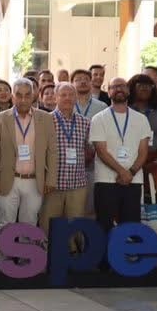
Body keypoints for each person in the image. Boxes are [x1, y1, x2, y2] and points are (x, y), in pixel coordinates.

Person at [0, 78, 57, 230]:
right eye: (19, 95)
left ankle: (25, 247)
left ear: (33, 96)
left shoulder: (46, 118)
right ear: (12, 96)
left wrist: (50, 179)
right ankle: (3, 248)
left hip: (35, 181)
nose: (23, 100)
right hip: (7, 180)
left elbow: (52, 152)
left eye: (27, 95)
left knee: (29, 226)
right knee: (5, 225)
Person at [90, 77, 154, 233]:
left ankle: (127, 250)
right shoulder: (98, 119)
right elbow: (101, 151)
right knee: (104, 225)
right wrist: (122, 172)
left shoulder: (141, 119)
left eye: (122, 86)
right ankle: (105, 251)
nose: (119, 89)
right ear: (108, 92)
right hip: (106, 180)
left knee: (131, 226)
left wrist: (130, 172)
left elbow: (143, 151)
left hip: (133, 179)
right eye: (114, 86)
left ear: (128, 91)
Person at [43, 82, 94, 229]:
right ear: (55, 98)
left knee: (74, 227)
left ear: (76, 98)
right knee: (48, 226)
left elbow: (90, 149)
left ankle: (73, 246)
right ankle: (47, 245)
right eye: (63, 95)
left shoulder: (85, 122)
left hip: (77, 184)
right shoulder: (46, 120)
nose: (67, 98)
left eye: (71, 95)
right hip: (52, 185)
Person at [129, 74, 157, 217]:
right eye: (140, 85)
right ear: (132, 88)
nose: (145, 89)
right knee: (135, 197)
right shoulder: (127, 109)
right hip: (132, 161)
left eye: (148, 86)